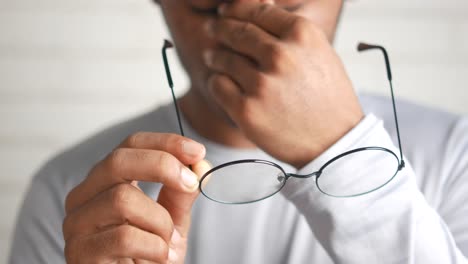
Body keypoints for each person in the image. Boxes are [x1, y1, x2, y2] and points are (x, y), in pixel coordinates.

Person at [9, 0, 468, 263]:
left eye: (288, 5)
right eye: (210, 4)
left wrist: (342, 151)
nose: (246, 28)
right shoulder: (78, 194)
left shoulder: (451, 156)